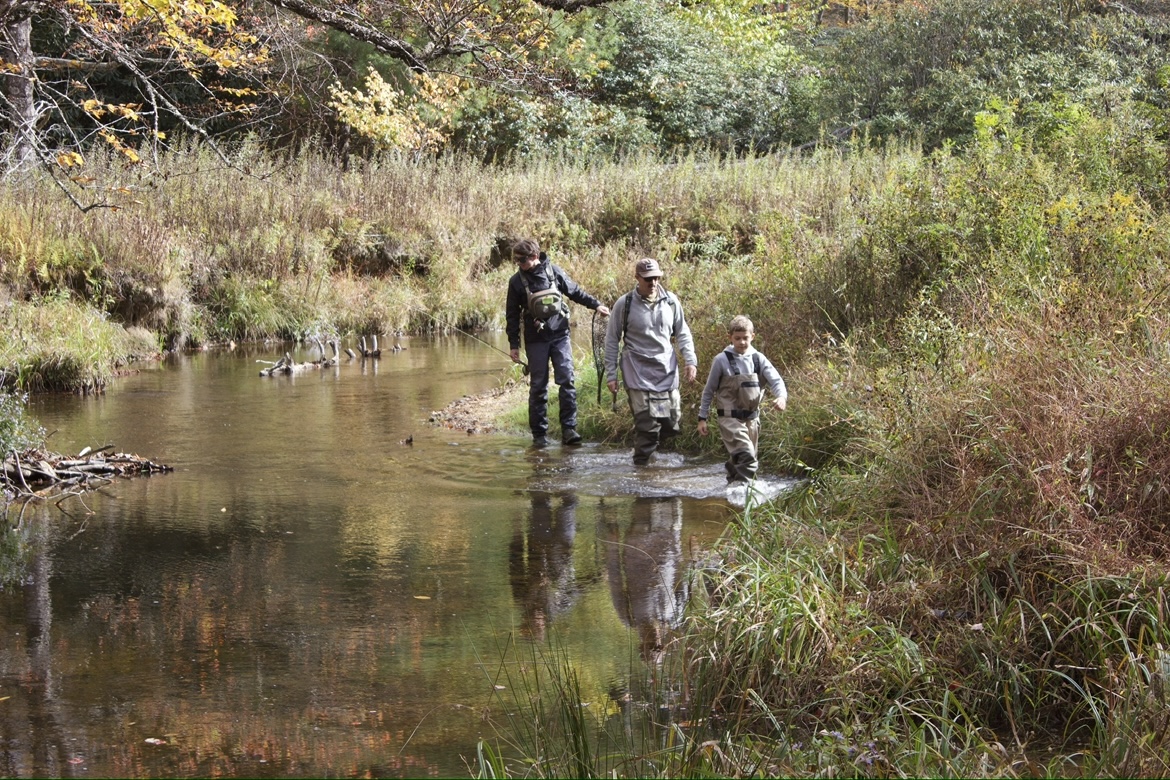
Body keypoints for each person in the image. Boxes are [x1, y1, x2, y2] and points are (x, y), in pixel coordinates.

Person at [506, 238, 609, 447]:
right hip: (535, 340)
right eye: (516, 261)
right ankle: (539, 435)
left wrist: (596, 305)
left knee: (567, 380)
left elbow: (575, 292)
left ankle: (569, 430)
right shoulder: (516, 282)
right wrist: (514, 345)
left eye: (522, 260)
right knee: (538, 387)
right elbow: (512, 316)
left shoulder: (554, 272)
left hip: (560, 335)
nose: (519, 264)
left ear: (534, 257)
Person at [604, 258, 698, 466]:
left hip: (665, 371)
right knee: (647, 424)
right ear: (637, 278)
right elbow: (611, 340)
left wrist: (690, 361)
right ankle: (641, 470)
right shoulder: (624, 304)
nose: (652, 282)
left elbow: (683, 333)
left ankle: (649, 453)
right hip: (636, 371)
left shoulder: (671, 302)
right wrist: (611, 374)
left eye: (656, 277)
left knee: (670, 423)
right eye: (647, 279)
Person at [697, 315, 787, 484]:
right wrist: (702, 418)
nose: (742, 342)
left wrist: (781, 397)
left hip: (752, 420)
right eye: (737, 338)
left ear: (752, 336)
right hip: (729, 418)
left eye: (745, 338)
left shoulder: (758, 359)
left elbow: (776, 381)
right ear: (729, 337)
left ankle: (732, 489)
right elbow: (709, 390)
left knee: (742, 458)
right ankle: (747, 497)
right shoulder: (721, 360)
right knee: (747, 457)